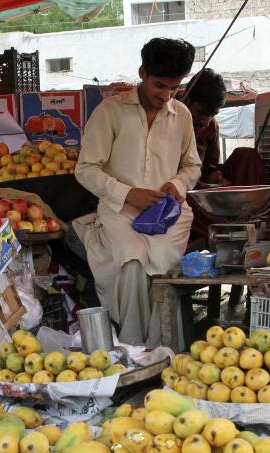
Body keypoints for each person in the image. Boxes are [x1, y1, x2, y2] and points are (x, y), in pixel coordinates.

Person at [73, 38, 201, 346]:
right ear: (142, 72)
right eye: (159, 85)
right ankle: (134, 348)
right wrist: (129, 194)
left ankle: (165, 350)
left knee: (163, 271)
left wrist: (179, 184)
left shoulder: (181, 115)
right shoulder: (110, 112)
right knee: (131, 264)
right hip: (120, 211)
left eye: (174, 88)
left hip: (168, 214)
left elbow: (193, 166)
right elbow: (86, 169)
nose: (165, 95)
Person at [182, 68, 227, 186]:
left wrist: (215, 177)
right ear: (187, 100)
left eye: (212, 115)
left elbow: (210, 167)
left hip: (201, 191)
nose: (205, 122)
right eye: (201, 112)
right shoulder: (168, 118)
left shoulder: (212, 126)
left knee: (246, 155)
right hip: (174, 187)